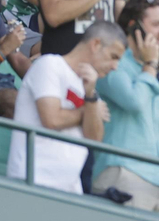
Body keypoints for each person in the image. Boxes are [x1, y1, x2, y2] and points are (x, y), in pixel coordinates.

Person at [7, 20, 126, 193]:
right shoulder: (50, 65)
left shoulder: (88, 88)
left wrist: (91, 98)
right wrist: (89, 109)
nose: (115, 67)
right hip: (32, 180)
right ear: (96, 44)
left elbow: (95, 140)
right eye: (113, 57)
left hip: (69, 187)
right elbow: (51, 120)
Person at [90, 0, 159, 212]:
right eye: (156, 25)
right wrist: (151, 65)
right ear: (133, 27)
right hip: (123, 171)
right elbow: (134, 102)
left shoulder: (147, 69)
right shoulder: (112, 63)